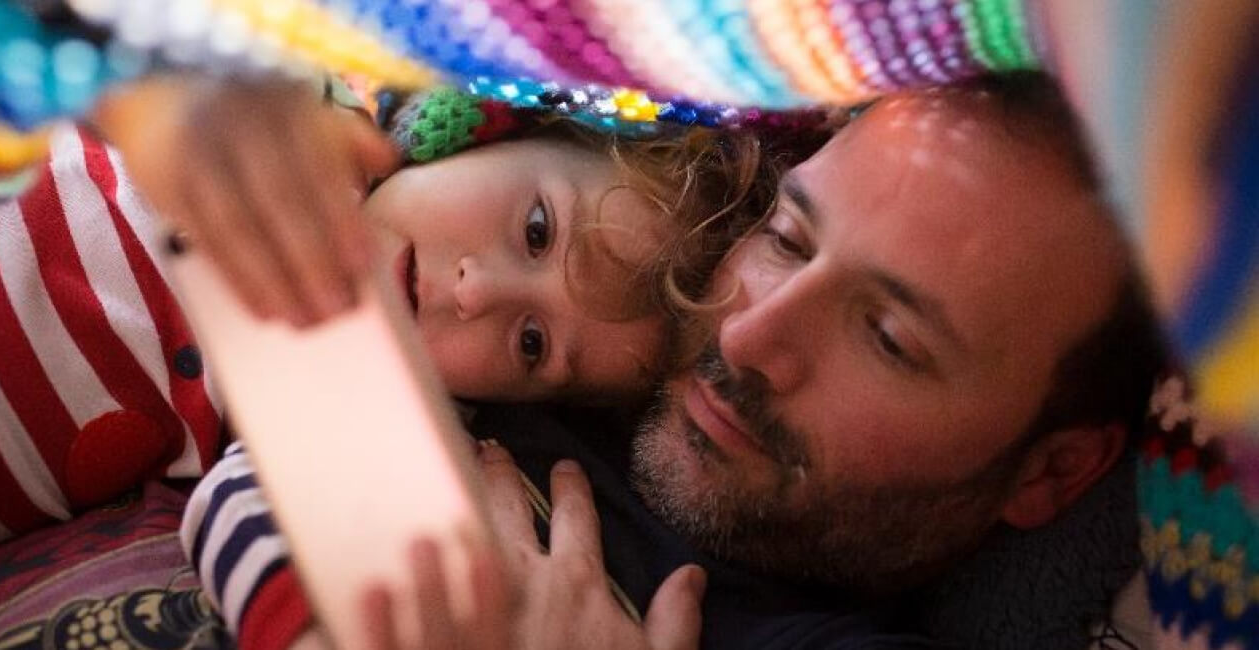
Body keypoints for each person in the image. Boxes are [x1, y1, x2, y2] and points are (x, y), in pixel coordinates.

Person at [186, 71, 1171, 649]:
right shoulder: (510, 382)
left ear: (1050, 470)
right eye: (786, 237)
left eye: (888, 339)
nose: (745, 336)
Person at [0, 78, 784, 607]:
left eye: (532, 343)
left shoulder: (350, 391)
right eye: (535, 231)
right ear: (477, 132)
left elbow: (261, 522)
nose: (476, 292)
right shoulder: (285, 106)